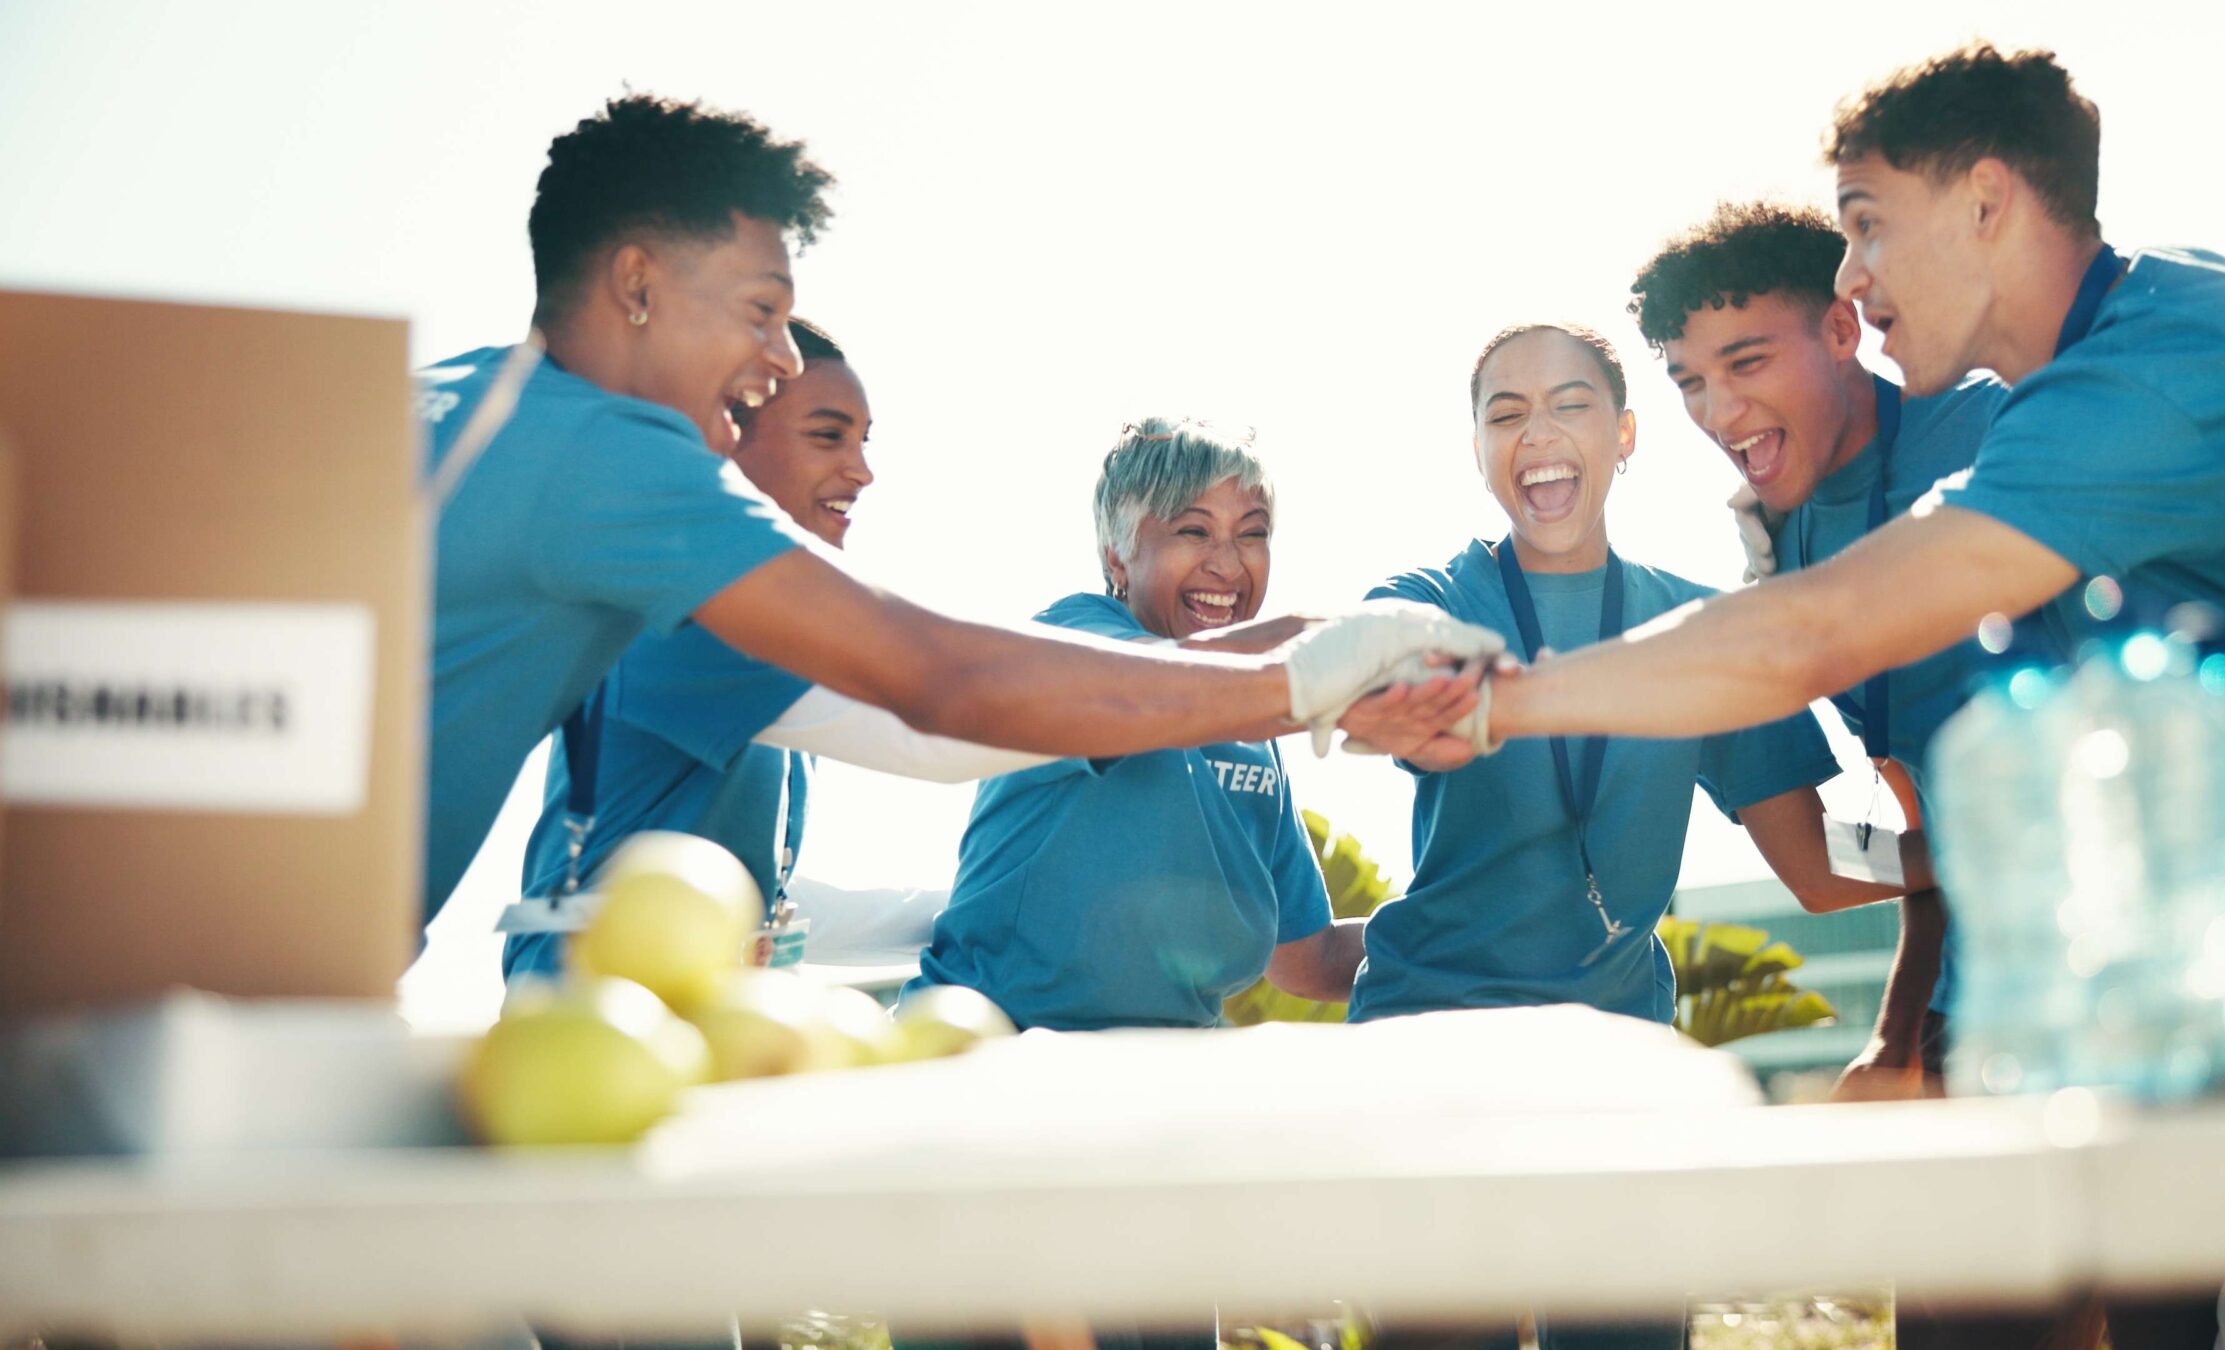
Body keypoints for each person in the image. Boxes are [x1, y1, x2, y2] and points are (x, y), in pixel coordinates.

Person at [1480, 45, 2225, 1350]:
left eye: (1867, 227)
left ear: (1988, 202)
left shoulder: (2099, 399)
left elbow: (1819, 640)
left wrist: (1500, 699)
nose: (1853, 276)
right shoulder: (2124, 340)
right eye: (1689, 380)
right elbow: (1909, 812)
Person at [417, 93, 1504, 931]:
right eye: (760, 310)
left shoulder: (467, 405)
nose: (781, 358)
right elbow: (938, 691)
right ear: (637, 284)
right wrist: (1306, 673)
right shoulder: (617, 459)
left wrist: (1306, 651)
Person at [1347, 322, 1934, 1350]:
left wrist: (1954, 854)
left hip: (1615, 1069)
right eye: (1505, 415)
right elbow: (1369, 675)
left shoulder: (1698, 626)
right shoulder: (1432, 601)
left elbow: (1815, 865)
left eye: (1569, 405)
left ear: (1624, 435)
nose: (1538, 435)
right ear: (1478, 451)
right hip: (1435, 1054)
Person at [504, 319, 1052, 979]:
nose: (863, 471)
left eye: (863, 441)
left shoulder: (749, 619)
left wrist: (983, 912)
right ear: (721, 440)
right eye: (827, 436)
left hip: (665, 995)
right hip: (585, 1008)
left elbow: (760, 903)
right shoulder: (690, 612)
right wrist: (1141, 711)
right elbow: (933, 734)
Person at [1627, 201, 2003, 1100]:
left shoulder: (1999, 430)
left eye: (1746, 362)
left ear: (1842, 329)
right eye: (1689, 382)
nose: (1720, 412)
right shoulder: (1780, 547)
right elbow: (1904, 836)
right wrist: (1896, 1036)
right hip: (1976, 998)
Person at [908, 419, 1411, 1033]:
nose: (1228, 564)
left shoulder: (1253, 728)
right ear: (1117, 554)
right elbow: (1159, 683)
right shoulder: (1072, 641)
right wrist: (1340, 646)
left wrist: (1475, 930)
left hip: (1160, 1070)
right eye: (1193, 531)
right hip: (989, 1044)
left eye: (1252, 534)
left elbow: (1312, 958)